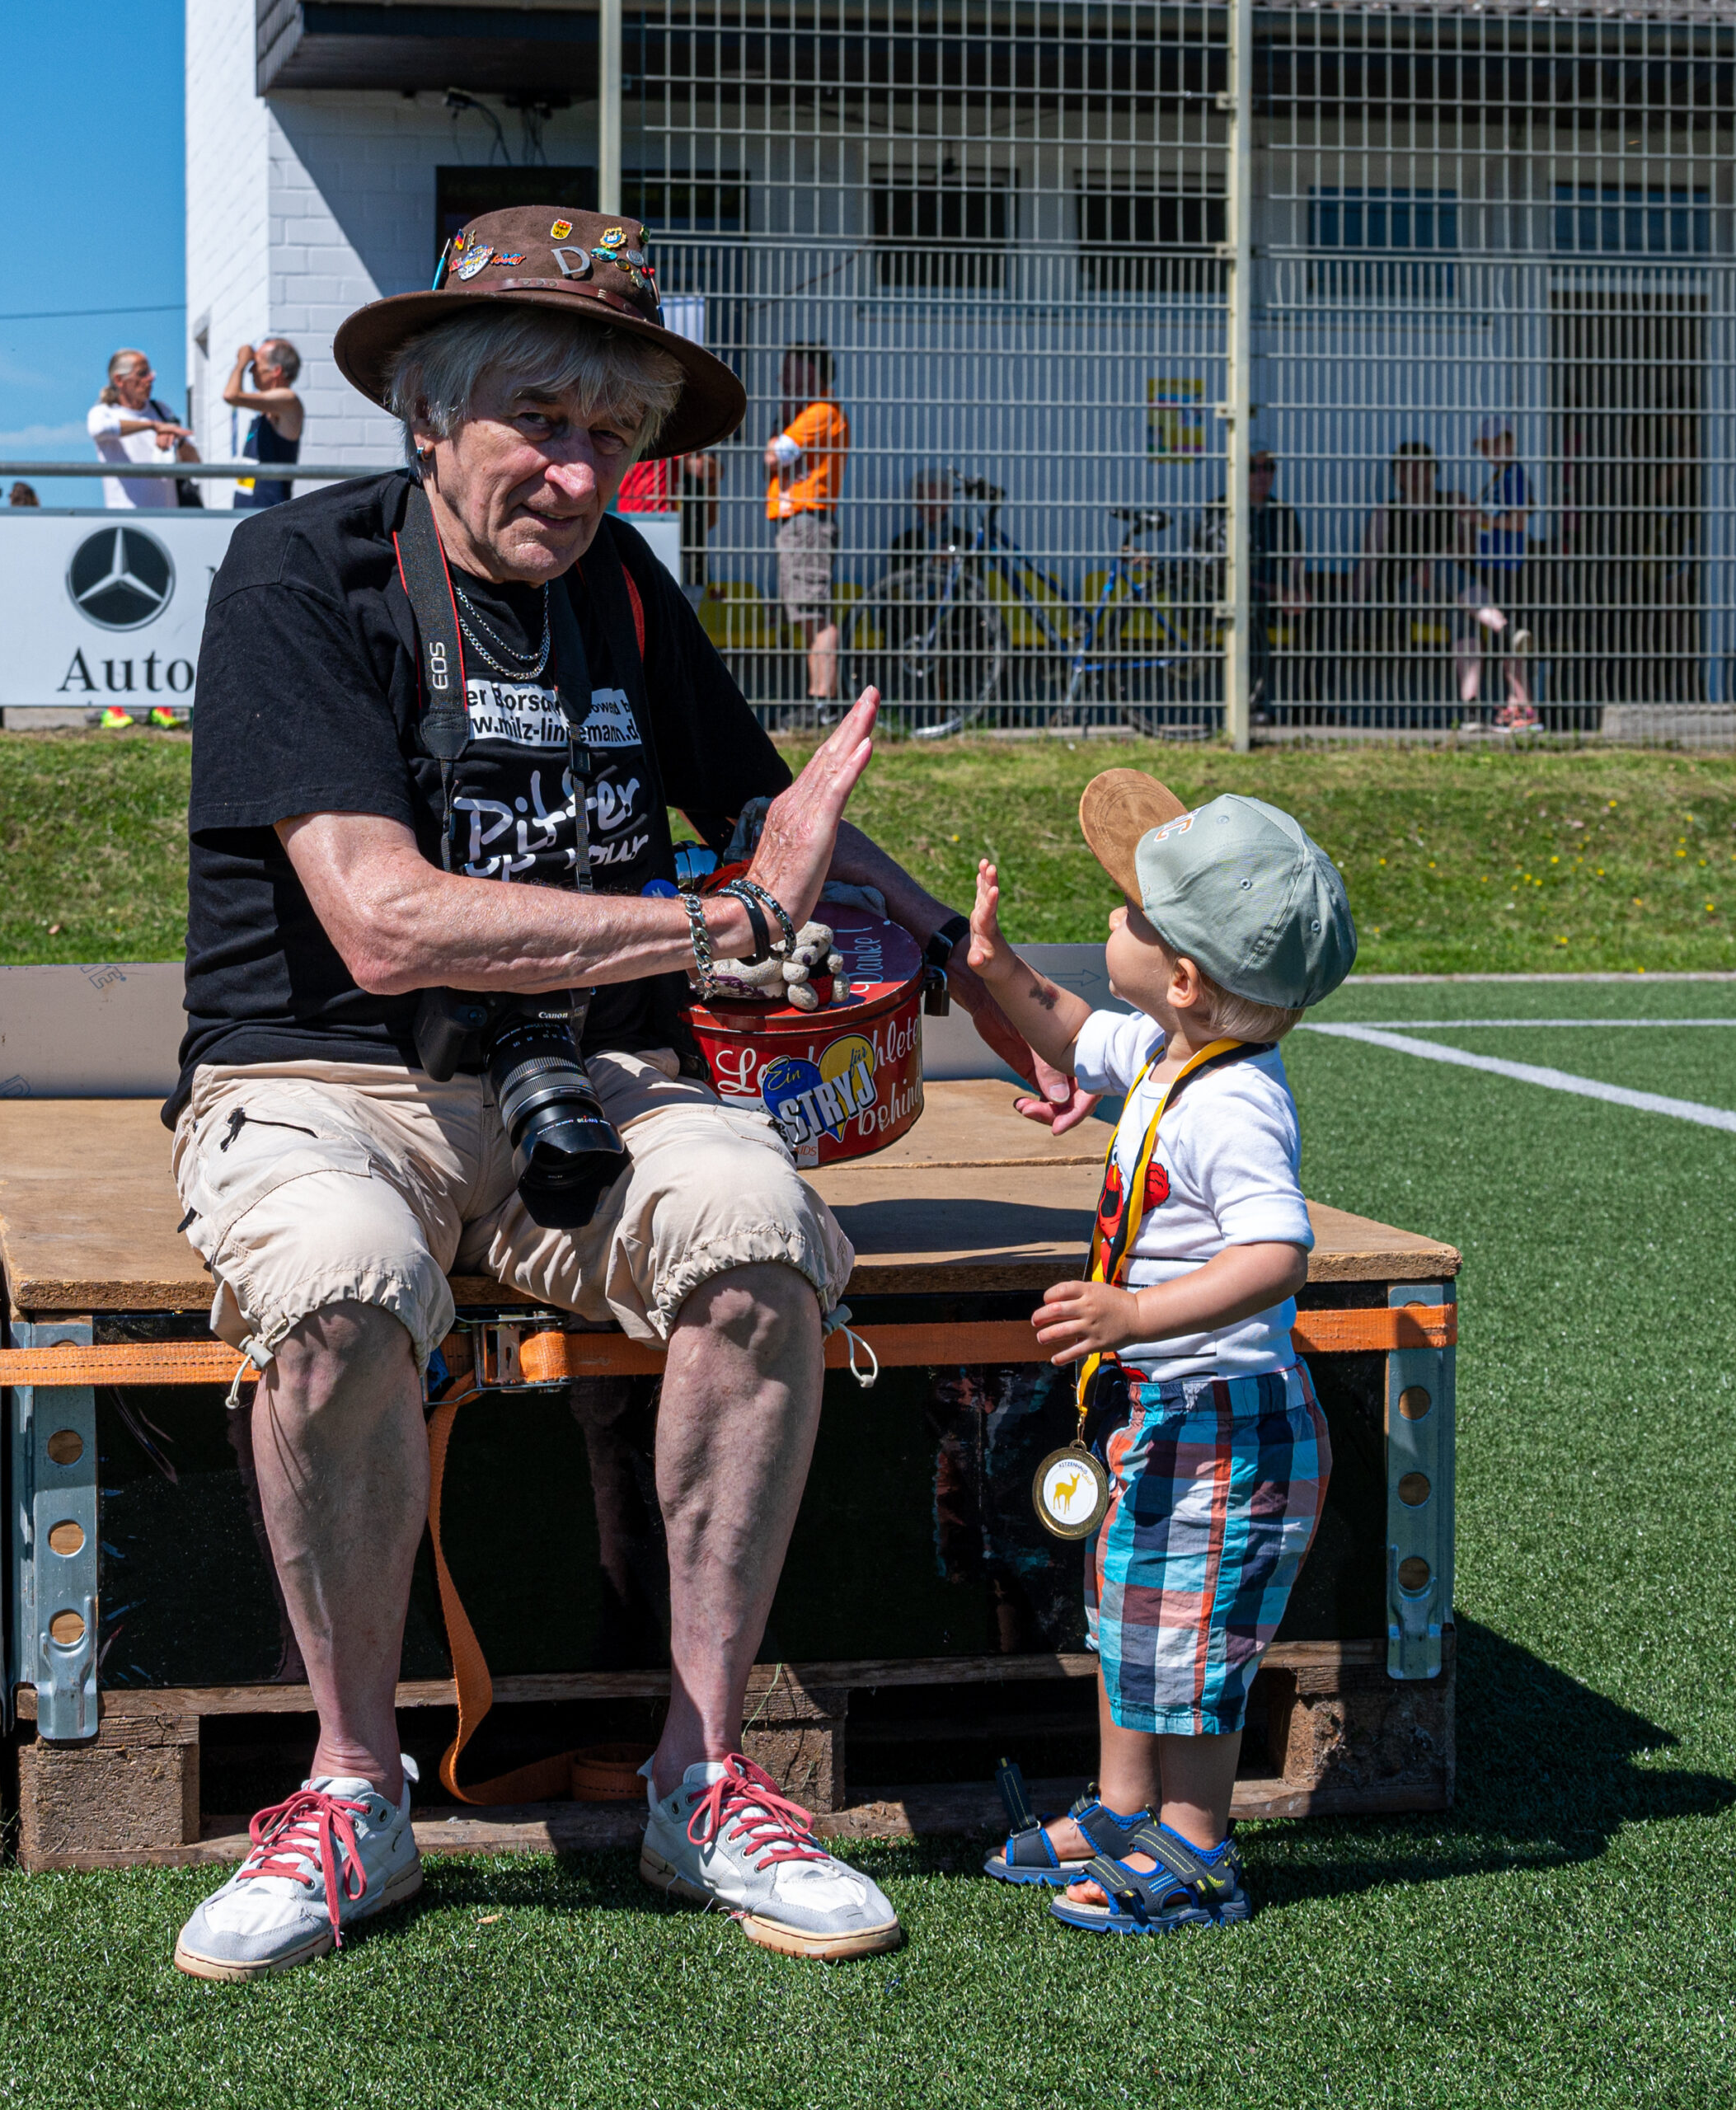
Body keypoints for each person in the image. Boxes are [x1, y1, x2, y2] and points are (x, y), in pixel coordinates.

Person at [161, 205, 1092, 1983]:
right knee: (340, 1277)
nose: (581, 473)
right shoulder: (300, 573)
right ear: (428, 413)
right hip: (325, 1076)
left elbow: (766, 823)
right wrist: (711, 923)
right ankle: (353, 1786)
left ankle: (700, 1773)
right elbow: (380, 921)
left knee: (758, 1229)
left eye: (612, 435)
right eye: (538, 419)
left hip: (594, 1073)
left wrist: (973, 972)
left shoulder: (626, 591)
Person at [964, 767, 1355, 1934]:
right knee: (1133, 1615)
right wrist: (997, 971)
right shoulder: (1170, 1050)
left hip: (1228, 1423)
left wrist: (1136, 1315)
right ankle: (1123, 1810)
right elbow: (1070, 1029)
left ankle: (1195, 1848)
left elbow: (1277, 1253)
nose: (1112, 916)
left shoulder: (1232, 1104)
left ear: (1183, 979)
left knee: (1191, 1643)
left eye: (1134, 914)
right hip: (1167, 1411)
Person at [1351, 441, 1470, 697]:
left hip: (1450, 593)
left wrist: (1434, 562)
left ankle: (1471, 702)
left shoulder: (1452, 503)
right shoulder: (1386, 513)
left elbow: (1468, 547)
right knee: (1462, 609)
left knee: (1463, 614)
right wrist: (1353, 610)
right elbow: (1368, 564)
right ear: (1397, 475)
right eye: (1406, 467)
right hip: (1407, 596)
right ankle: (1499, 625)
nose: (1414, 472)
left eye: (1421, 466)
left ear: (1433, 470)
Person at [766, 343, 849, 706]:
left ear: (811, 372)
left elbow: (773, 456)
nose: (781, 378)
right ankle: (819, 700)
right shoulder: (810, 413)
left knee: (814, 611)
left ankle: (822, 702)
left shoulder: (820, 411)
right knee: (806, 612)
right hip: (799, 520)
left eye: (790, 369)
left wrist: (777, 433)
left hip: (807, 521)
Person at [1196, 449, 1306, 714]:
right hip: (1227, 597)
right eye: (1253, 468)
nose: (1261, 475)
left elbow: (1296, 562)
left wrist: (1297, 591)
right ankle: (1252, 703)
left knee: (1326, 611)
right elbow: (1217, 570)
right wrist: (1274, 590)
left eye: (1268, 468)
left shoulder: (1283, 513)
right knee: (1250, 607)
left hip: (1276, 598)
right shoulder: (1220, 511)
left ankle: (1311, 702)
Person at [1462, 420, 1537, 729]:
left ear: (1510, 443)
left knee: (1510, 638)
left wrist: (1477, 518)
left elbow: (1518, 523)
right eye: (1484, 446)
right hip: (1492, 565)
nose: (1489, 451)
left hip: (1506, 567)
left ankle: (1524, 708)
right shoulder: (1499, 476)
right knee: (1504, 639)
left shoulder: (1514, 476)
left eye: (1495, 444)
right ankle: (1515, 706)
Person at [87, 349, 197, 509]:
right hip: (126, 517)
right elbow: (98, 429)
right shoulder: (104, 412)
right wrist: (152, 425)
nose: (151, 378)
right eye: (142, 374)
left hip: (168, 516)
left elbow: (195, 461)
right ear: (119, 380)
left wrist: (177, 440)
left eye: (150, 373)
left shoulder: (161, 410)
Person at [617, 448, 719, 591]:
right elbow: (700, 468)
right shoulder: (667, 443)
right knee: (662, 584)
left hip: (626, 516)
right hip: (659, 519)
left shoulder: (631, 444)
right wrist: (715, 468)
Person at [223, 338, 305, 509]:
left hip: (269, 512)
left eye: (256, 364)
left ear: (276, 371)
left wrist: (241, 363)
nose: (251, 370)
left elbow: (231, 395)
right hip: (248, 511)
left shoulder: (288, 401)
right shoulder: (265, 412)